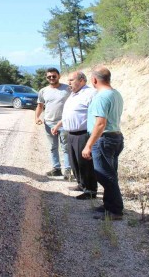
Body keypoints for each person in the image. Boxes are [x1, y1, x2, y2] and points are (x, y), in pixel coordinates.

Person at [82, 66, 125, 220]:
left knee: (105, 176)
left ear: (94, 80)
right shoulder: (115, 94)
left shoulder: (101, 97)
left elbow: (100, 123)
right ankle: (108, 205)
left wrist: (88, 145)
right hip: (116, 137)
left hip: (104, 140)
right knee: (110, 173)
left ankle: (115, 210)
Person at [51, 71, 98, 199]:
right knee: (74, 162)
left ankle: (90, 190)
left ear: (82, 80)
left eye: (71, 80)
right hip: (70, 133)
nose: (69, 83)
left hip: (83, 134)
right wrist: (58, 125)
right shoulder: (73, 94)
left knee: (85, 163)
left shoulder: (91, 93)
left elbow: (96, 115)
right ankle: (81, 184)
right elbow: (69, 113)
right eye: (69, 80)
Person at [35, 68, 71, 177]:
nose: (51, 78)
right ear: (46, 78)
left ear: (59, 76)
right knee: (53, 147)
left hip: (64, 123)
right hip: (49, 123)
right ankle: (56, 169)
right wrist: (37, 117)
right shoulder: (43, 91)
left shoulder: (68, 89)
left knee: (66, 147)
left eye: (54, 76)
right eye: (49, 77)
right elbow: (40, 105)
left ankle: (68, 171)